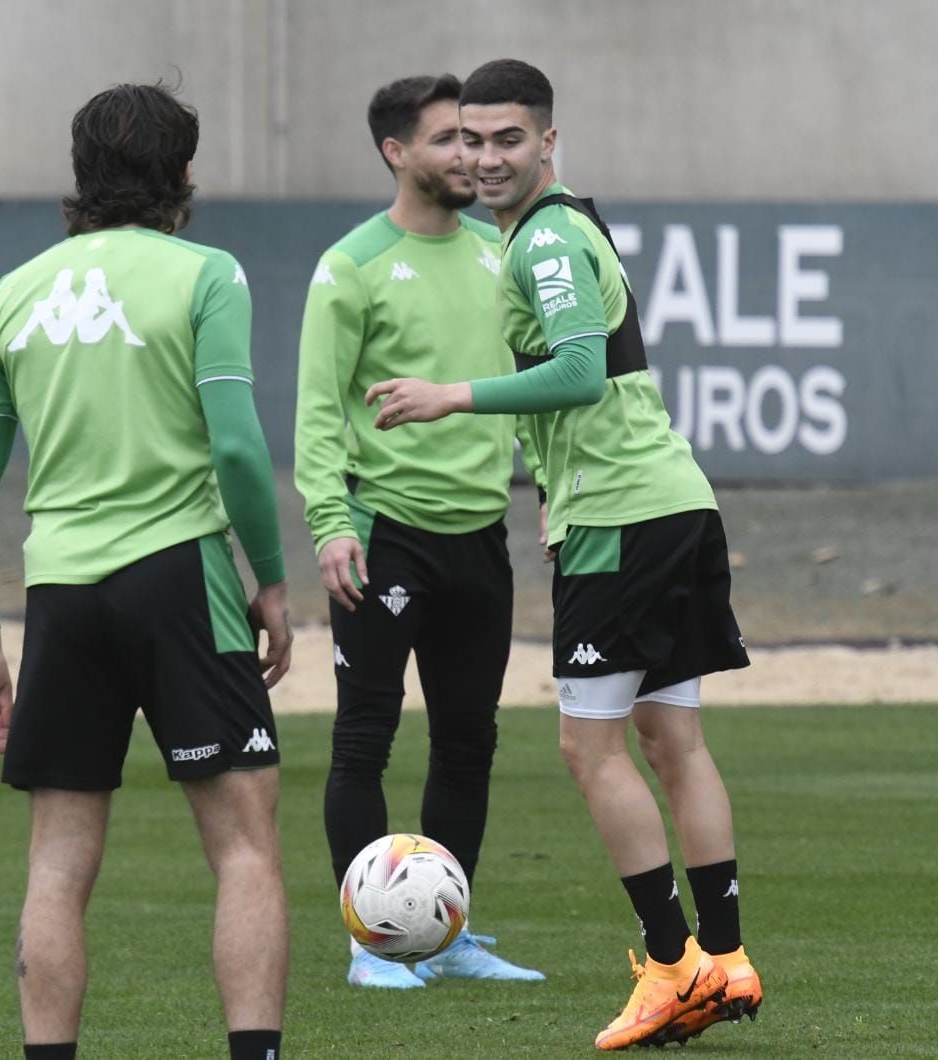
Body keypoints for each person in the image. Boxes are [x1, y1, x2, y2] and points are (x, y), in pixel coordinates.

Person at [363, 59, 763, 1050]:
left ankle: (671, 967)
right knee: (673, 742)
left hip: (621, 521)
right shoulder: (564, 224)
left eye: (507, 139)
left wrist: (450, 395)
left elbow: (581, 372)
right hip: (670, 503)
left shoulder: (543, 237)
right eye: (469, 139)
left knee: (590, 748)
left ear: (548, 141)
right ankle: (725, 956)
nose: (484, 157)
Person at [0, 82, 292, 1060]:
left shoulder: (11, 293)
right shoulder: (207, 274)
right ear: (183, 172)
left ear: (80, 172)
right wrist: (271, 579)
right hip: (180, 576)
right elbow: (237, 448)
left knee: (57, 866)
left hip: (60, 595)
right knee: (244, 846)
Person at [294, 73, 546, 990]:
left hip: (481, 533)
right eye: (448, 140)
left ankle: (445, 935)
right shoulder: (351, 265)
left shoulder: (499, 252)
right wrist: (330, 523)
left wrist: (546, 486)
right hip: (383, 533)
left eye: (475, 140)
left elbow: (525, 385)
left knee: (469, 741)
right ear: (397, 153)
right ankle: (371, 946)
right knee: (365, 739)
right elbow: (317, 411)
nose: (469, 157)